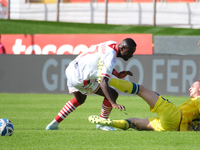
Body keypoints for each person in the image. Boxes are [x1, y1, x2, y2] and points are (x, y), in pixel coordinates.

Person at [46, 38, 137, 131]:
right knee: (113, 94)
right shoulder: (110, 56)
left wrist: (117, 74)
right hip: (80, 77)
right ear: (122, 48)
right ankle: (102, 123)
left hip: (72, 69)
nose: (131, 55)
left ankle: (53, 124)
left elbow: (101, 62)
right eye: (130, 52)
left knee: (79, 99)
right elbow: (103, 81)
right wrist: (113, 103)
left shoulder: (112, 44)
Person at [88, 78, 200, 131]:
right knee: (133, 122)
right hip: (172, 128)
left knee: (140, 90)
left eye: (193, 86)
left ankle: (106, 79)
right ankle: (110, 123)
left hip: (174, 116)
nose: (190, 88)